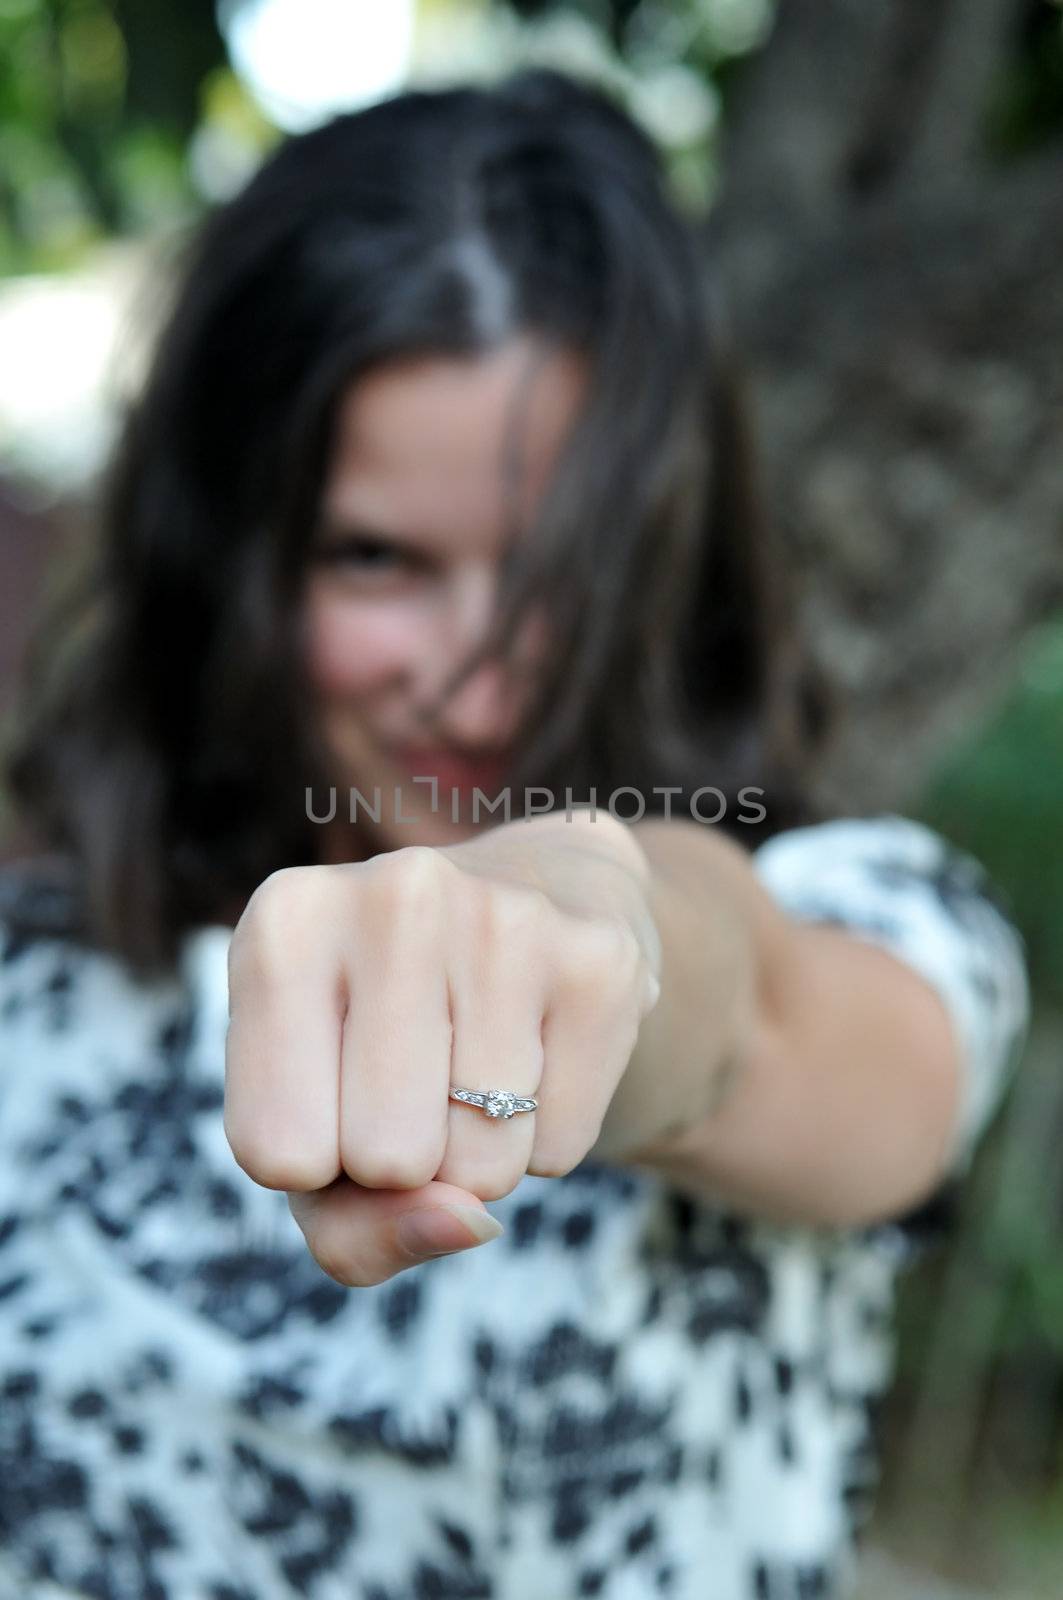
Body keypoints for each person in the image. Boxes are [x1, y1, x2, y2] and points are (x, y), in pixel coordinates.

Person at [0, 68, 1029, 1600]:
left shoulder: (873, 925)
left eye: (559, 568)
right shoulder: (38, 987)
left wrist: (595, 905)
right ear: (231, 563)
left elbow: (751, 1008)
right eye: (376, 560)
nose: (479, 672)